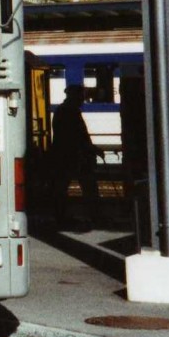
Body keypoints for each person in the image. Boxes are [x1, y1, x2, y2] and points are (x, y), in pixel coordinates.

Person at [50, 84, 101, 229]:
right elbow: (79, 136)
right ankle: (92, 216)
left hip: (65, 156)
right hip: (74, 157)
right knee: (88, 187)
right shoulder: (71, 112)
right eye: (81, 97)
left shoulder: (62, 111)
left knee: (61, 187)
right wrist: (92, 149)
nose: (83, 100)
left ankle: (61, 216)